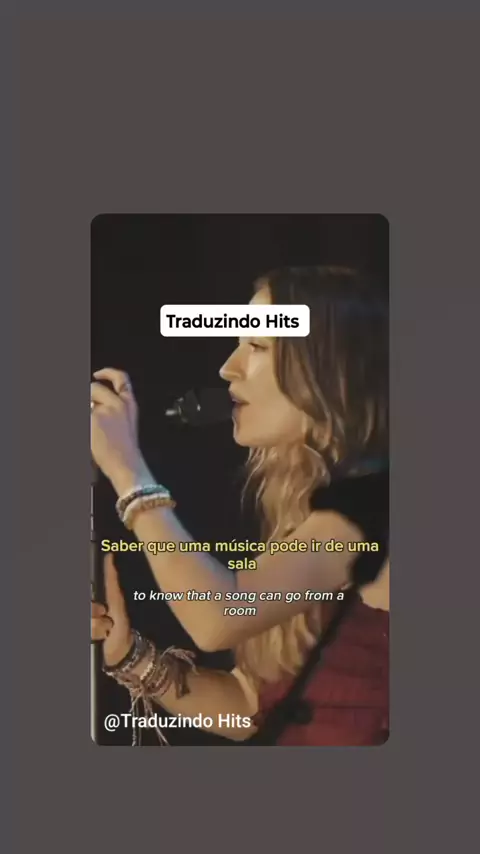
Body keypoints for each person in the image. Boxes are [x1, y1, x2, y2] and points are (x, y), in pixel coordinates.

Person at [91, 266, 389, 746]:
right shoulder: (308, 511)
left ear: (328, 369)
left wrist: (129, 472)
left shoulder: (373, 508)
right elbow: (252, 708)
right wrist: (129, 655)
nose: (228, 367)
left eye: (257, 346)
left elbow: (219, 618)